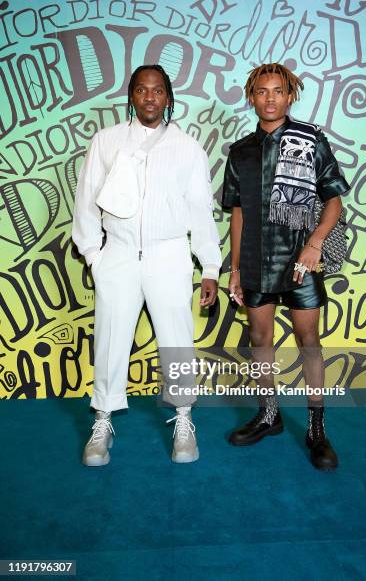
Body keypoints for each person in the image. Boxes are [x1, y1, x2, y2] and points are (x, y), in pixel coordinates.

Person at [72, 64, 221, 466]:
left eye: (157, 91)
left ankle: (184, 421)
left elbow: (200, 211)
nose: (150, 97)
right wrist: (94, 256)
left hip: (169, 253)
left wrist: (209, 266)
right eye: (142, 90)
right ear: (132, 96)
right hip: (117, 255)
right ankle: (102, 421)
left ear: (168, 98)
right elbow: (86, 201)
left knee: (176, 339)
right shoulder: (106, 141)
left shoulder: (188, 148)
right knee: (110, 338)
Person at [222, 63, 350, 471]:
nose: (270, 97)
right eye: (262, 91)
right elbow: (237, 214)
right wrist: (236, 269)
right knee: (260, 338)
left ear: (290, 95)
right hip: (257, 263)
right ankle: (269, 414)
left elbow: (333, 200)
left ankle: (316, 429)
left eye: (278, 90)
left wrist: (314, 245)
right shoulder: (239, 151)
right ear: (251, 97)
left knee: (308, 340)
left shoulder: (310, 140)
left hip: (300, 261)